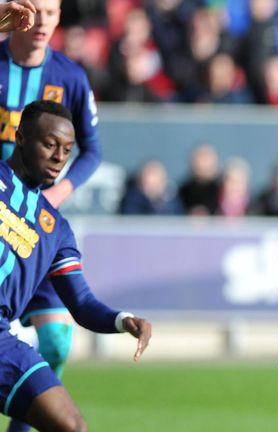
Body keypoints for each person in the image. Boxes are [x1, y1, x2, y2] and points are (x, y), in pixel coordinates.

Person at [0, 99, 152, 430]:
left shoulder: (56, 229)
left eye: (67, 149)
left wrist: (123, 320)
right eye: (50, 144)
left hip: (1, 341)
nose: (59, 157)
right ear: (21, 137)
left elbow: (81, 303)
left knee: (72, 425)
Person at [0, 3, 105, 430]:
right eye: (35, 10)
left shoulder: (71, 77)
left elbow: (93, 150)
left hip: (36, 230)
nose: (43, 21)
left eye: (52, 11)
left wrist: (55, 196)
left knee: (58, 342)